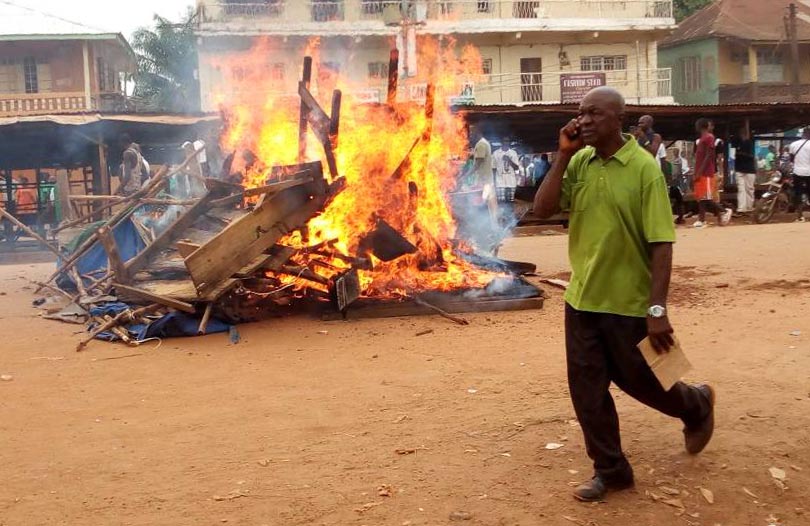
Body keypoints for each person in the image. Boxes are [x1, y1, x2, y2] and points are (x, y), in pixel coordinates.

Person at [533, 86, 715, 503]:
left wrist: (657, 308)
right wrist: (562, 154)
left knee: (644, 380)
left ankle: (696, 404)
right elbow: (542, 210)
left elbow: (662, 243)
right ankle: (611, 470)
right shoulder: (578, 161)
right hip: (582, 300)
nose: (584, 121)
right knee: (587, 389)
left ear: (619, 119)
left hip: (630, 302)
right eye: (580, 114)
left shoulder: (643, 169)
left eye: (594, 113)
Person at [693, 119, 732, 228]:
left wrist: (700, 171)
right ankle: (701, 220)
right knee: (701, 197)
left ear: (700, 126)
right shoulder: (701, 139)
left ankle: (724, 210)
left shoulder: (709, 137)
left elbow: (709, 155)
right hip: (700, 172)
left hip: (706, 172)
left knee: (707, 197)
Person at [492, 137, 520, 224]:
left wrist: (509, 160)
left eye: (507, 141)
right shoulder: (496, 153)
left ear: (509, 143)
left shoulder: (513, 153)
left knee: (510, 202)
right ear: (501, 142)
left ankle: (510, 220)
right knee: (501, 202)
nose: (506, 143)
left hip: (511, 182)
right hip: (500, 182)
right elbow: (493, 168)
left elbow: (517, 167)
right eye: (504, 141)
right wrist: (493, 181)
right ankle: (502, 220)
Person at [731, 128, 757, 214]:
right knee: (742, 189)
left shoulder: (750, 143)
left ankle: (749, 207)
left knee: (749, 189)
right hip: (740, 169)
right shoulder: (736, 142)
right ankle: (742, 208)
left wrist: (740, 154)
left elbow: (749, 156)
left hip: (748, 169)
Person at [789, 128, 810, 222]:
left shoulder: (793, 144)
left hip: (797, 172)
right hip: (809, 172)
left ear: (802, 134)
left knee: (798, 194)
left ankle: (800, 217)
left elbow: (791, 159)